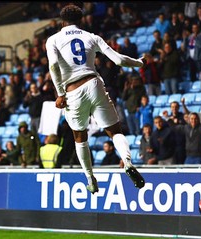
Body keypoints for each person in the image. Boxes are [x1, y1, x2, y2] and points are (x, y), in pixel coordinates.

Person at [45, 4, 145, 194]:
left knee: (80, 137)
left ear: (62, 22)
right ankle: (128, 163)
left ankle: (90, 178)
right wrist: (140, 62)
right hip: (94, 84)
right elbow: (119, 60)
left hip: (73, 91)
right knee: (115, 131)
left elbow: (53, 65)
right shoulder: (91, 36)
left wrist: (59, 93)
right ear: (80, 20)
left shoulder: (53, 40)